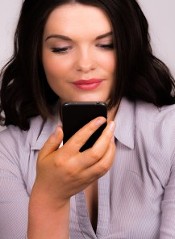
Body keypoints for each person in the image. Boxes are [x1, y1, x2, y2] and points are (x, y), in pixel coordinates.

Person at [0, 0, 175, 238]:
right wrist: (50, 198)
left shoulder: (169, 134)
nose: (84, 64)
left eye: (106, 45)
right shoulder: (7, 151)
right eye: (61, 48)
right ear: (37, 53)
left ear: (128, 46)